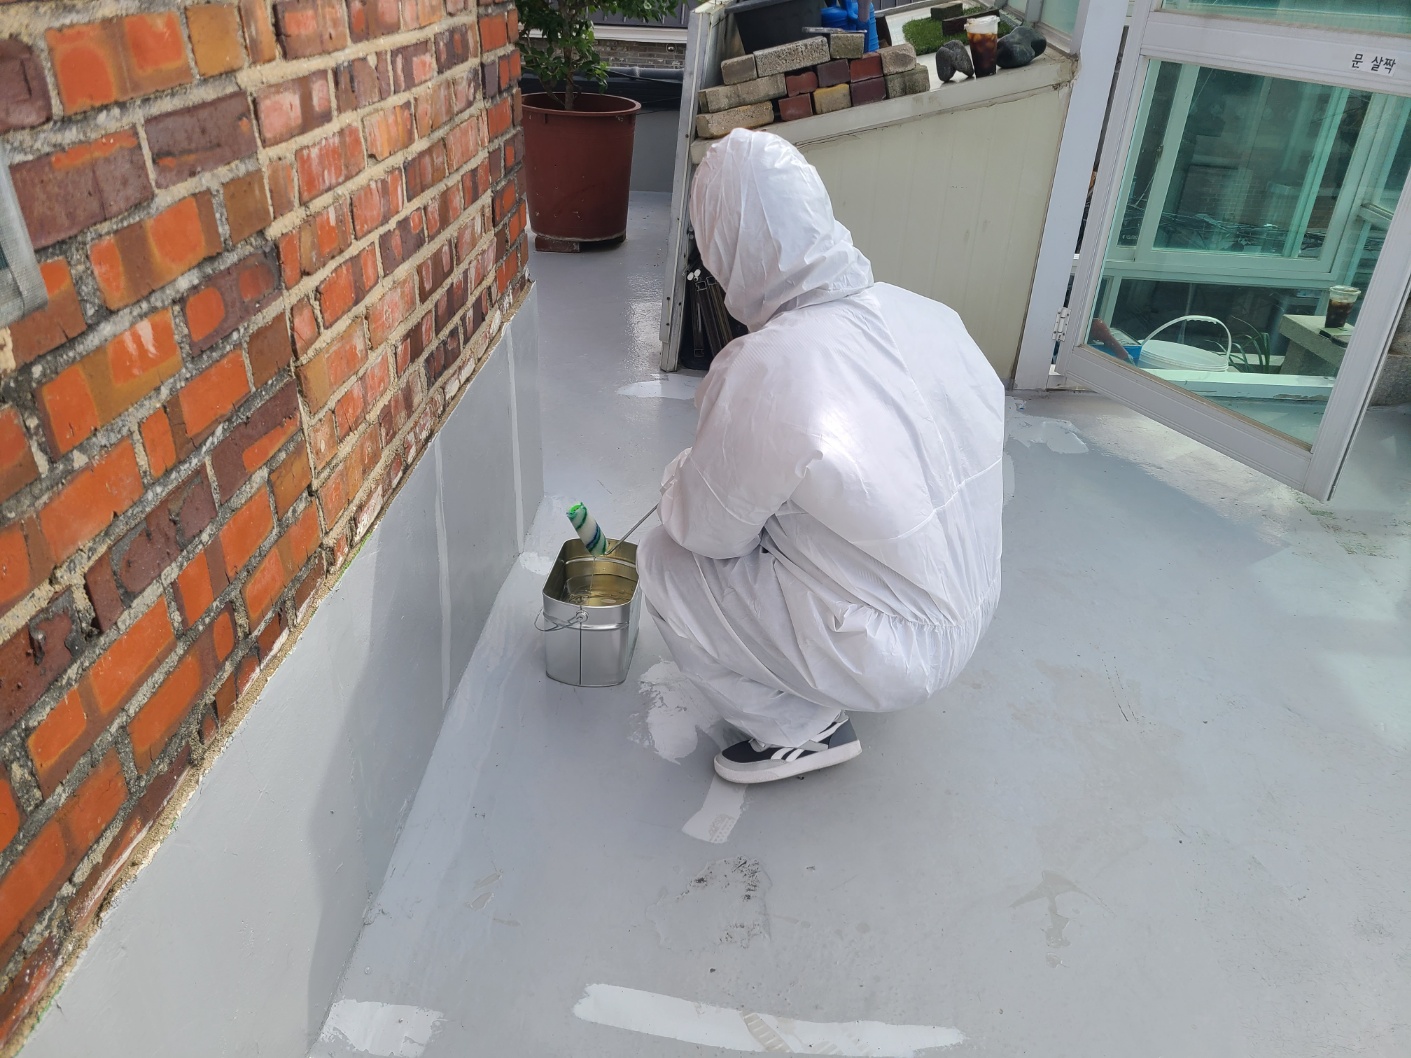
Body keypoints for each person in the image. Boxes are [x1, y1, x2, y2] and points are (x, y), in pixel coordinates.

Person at [637, 129, 1004, 785]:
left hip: (888, 653)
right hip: (974, 602)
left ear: (724, 246)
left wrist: (676, 478)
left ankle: (800, 732)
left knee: (664, 560)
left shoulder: (769, 365)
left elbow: (705, 533)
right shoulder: (930, 316)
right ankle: (835, 664)